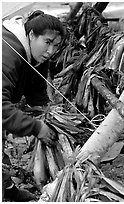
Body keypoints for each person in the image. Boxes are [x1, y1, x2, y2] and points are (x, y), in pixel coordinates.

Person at [2, 10, 65, 201]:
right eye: (47, 42)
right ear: (31, 35)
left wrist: (50, 116)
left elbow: (37, 94)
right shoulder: (8, 53)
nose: (51, 51)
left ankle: (8, 188)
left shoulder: (37, 55)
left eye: (56, 46)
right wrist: (36, 128)